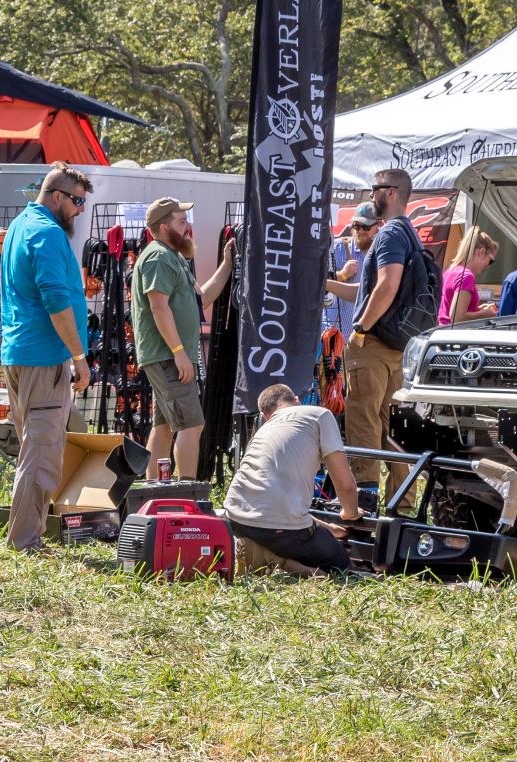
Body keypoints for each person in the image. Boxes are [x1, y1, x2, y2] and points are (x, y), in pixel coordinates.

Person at [0, 163, 94, 552]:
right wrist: (79, 356)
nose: (80, 210)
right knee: (42, 456)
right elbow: (56, 299)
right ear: (57, 196)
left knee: (32, 451)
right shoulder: (48, 233)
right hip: (44, 358)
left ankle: (26, 533)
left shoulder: (21, 225)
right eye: (77, 201)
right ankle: (25, 541)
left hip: (20, 354)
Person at [131, 197, 234, 478]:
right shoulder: (158, 257)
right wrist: (178, 352)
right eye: (181, 221)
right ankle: (186, 493)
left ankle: (155, 493)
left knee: (163, 427)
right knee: (191, 425)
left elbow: (204, 300)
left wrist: (227, 264)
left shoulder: (172, 256)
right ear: (164, 227)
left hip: (169, 357)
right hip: (168, 357)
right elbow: (157, 306)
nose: (187, 225)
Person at [221, 383, 364, 575]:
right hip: (279, 528)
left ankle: (263, 553)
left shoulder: (263, 432)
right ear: (296, 400)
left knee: (280, 535)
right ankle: (276, 561)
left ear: (265, 416)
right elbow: (345, 485)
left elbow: (274, 500)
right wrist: (350, 513)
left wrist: (329, 528)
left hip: (235, 518)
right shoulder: (319, 414)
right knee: (340, 563)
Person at [345, 167, 418, 495]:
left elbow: (387, 285)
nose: (370, 194)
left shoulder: (388, 233)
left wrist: (360, 328)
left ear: (391, 192)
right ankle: (402, 503)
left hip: (374, 343)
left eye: (374, 188)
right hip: (398, 344)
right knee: (394, 428)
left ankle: (365, 499)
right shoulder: (410, 233)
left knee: (364, 419)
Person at [324, 202, 381, 342]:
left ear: (378, 226)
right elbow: (314, 279)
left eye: (366, 227)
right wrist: (342, 274)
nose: (360, 231)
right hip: (330, 335)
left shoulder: (382, 255)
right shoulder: (338, 248)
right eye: (356, 225)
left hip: (362, 339)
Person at [439, 226, 499, 325]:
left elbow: (449, 310)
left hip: (442, 333)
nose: (488, 265)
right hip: (457, 336)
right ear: (481, 252)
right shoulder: (467, 276)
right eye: (491, 260)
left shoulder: (449, 271)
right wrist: (483, 314)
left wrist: (478, 310)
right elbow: (456, 318)